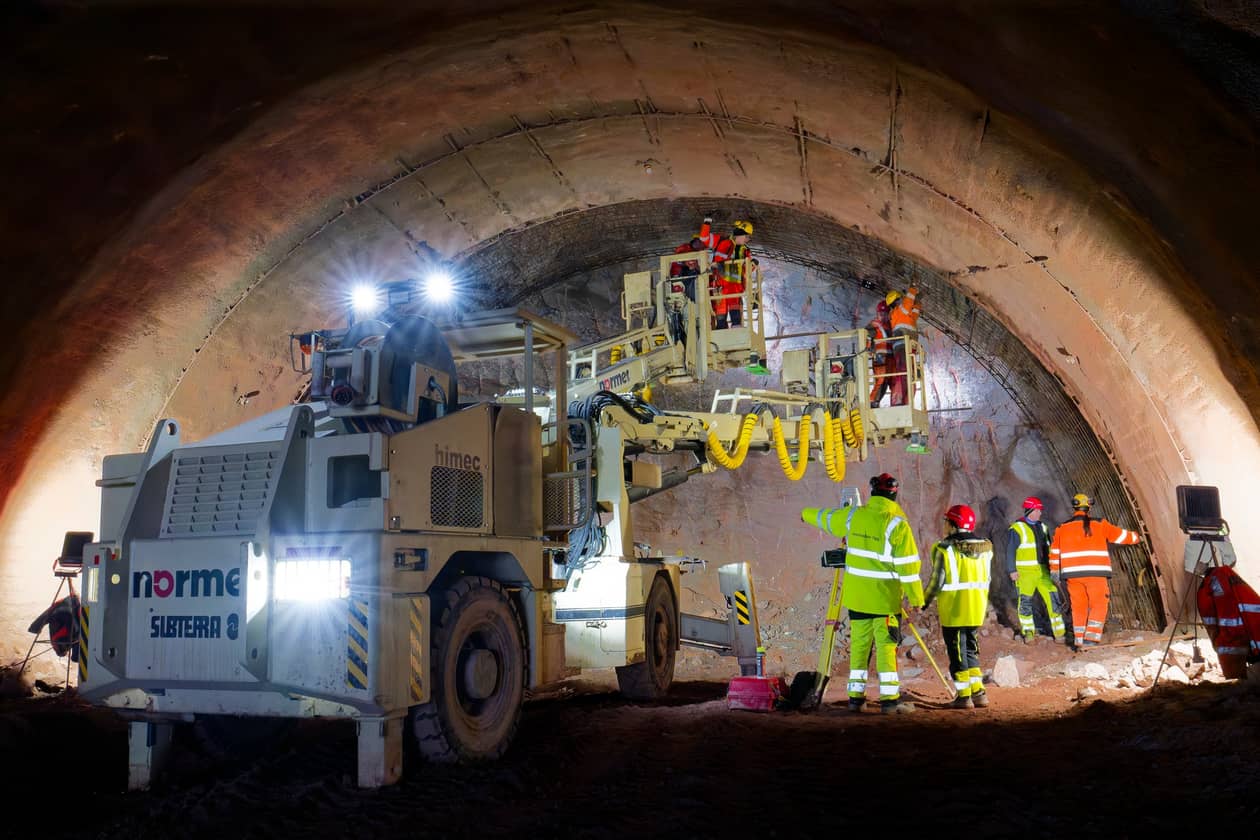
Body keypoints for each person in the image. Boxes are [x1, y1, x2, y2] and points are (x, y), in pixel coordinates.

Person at [800, 473, 923, 714]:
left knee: (859, 646)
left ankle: (856, 698)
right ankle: (889, 701)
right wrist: (917, 599)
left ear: (872, 493)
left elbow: (827, 517)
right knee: (886, 648)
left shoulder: (853, 515)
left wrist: (805, 514)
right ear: (895, 494)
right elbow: (909, 569)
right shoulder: (898, 524)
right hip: (884, 602)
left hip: (857, 600)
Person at [922, 504, 993, 709]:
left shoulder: (944, 548)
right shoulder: (986, 547)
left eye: (946, 522)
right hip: (976, 608)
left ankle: (964, 696)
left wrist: (923, 603)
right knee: (971, 649)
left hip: (954, 609)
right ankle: (978, 692)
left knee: (958, 653)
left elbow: (937, 582)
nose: (944, 526)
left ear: (953, 524)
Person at [1049, 492, 1141, 649]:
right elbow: (1119, 536)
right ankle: (1091, 639)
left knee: (1078, 605)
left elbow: (1054, 552)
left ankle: (1079, 640)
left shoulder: (1062, 528)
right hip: (1095, 574)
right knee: (1099, 603)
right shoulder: (1100, 524)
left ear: (1074, 507)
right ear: (1089, 507)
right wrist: (1137, 537)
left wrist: (1055, 571)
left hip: (1072, 575)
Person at [1006, 496, 1066, 644]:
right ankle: (1029, 633)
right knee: (1025, 602)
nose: (1040, 513)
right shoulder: (1017, 528)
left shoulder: (1043, 527)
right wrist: (1012, 570)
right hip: (1025, 572)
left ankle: (1059, 633)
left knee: (1053, 598)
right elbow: (1010, 551)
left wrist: (1053, 568)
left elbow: (1049, 550)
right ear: (1030, 510)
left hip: (1043, 571)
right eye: (1038, 510)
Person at [711, 220, 754, 329]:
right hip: (722, 282)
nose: (748, 240)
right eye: (747, 237)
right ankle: (722, 327)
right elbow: (718, 260)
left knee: (734, 304)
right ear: (740, 234)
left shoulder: (745, 251)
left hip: (735, 283)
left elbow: (747, 269)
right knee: (721, 307)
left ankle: (735, 324)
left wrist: (753, 264)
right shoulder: (726, 243)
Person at [885, 286, 922, 406]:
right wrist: (913, 289)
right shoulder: (898, 311)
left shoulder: (902, 313)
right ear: (896, 301)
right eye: (900, 298)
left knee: (910, 375)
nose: (902, 299)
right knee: (905, 374)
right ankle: (901, 401)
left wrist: (917, 303)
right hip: (902, 347)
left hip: (907, 347)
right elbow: (907, 302)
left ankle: (906, 401)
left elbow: (914, 314)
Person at [868, 299, 893, 407]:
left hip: (890, 358)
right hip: (880, 357)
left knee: (888, 381)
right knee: (881, 380)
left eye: (884, 314)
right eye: (880, 314)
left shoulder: (891, 326)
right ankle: (872, 401)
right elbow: (867, 337)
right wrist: (868, 348)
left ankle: (877, 401)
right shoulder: (874, 325)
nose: (882, 316)